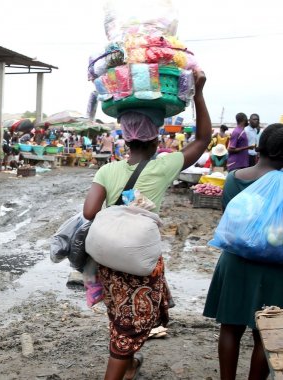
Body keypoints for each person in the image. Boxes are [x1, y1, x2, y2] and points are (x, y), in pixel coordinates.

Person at [82, 70, 210, 380]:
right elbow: (204, 138)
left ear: (125, 137)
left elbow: (88, 212)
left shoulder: (108, 170)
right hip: (141, 260)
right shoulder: (165, 166)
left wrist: (115, 213)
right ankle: (121, 368)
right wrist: (200, 93)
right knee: (126, 332)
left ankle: (130, 366)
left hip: (109, 261)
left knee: (121, 318)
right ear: (155, 135)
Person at [203, 123, 283, 380]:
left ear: (259, 147)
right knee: (264, 333)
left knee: (230, 327)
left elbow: (231, 219)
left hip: (235, 262)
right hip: (274, 268)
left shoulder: (233, 178)